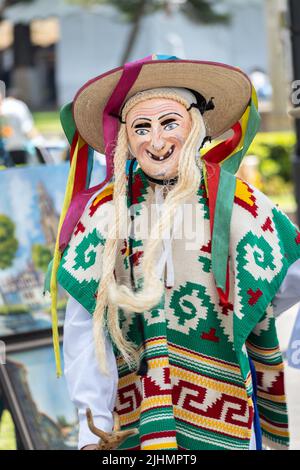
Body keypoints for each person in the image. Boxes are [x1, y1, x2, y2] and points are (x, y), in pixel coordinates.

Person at [47, 55, 300, 450]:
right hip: (130, 420)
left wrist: (242, 307)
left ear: (196, 127)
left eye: (169, 123)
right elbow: (85, 326)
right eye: (141, 128)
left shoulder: (237, 202)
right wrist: (91, 422)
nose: (157, 141)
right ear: (126, 138)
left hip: (222, 413)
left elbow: (285, 276)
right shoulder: (105, 213)